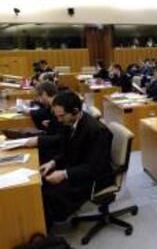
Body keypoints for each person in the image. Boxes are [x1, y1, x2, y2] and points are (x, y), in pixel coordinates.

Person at [39, 91, 114, 228]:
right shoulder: (68, 123)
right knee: (42, 182)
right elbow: (65, 151)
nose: (59, 120)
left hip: (96, 177)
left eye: (62, 116)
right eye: (57, 116)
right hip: (78, 167)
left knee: (49, 194)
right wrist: (53, 162)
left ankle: (47, 232)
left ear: (75, 111)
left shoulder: (97, 131)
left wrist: (64, 174)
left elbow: (95, 167)